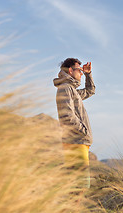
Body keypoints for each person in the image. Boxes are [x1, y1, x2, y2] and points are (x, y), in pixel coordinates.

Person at [53, 58, 95, 188]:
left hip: (78, 142)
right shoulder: (65, 89)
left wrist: (88, 74)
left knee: (78, 185)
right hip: (75, 142)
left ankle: (70, 208)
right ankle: (70, 209)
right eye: (80, 70)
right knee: (80, 186)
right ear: (70, 71)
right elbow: (67, 117)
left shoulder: (72, 90)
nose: (81, 73)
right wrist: (84, 132)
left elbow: (90, 90)